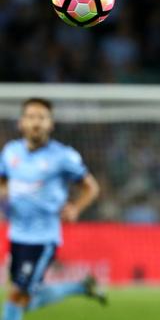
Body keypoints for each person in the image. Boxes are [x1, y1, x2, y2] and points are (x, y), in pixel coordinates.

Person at [0, 98, 105, 320]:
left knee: (18, 296)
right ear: (21, 123)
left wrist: (75, 208)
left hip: (42, 237)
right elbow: (2, 182)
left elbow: (91, 187)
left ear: (51, 124)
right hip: (17, 234)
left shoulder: (62, 156)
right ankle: (80, 287)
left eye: (42, 118)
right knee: (21, 297)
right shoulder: (10, 152)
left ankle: (78, 288)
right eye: (30, 117)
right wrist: (4, 198)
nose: (36, 123)